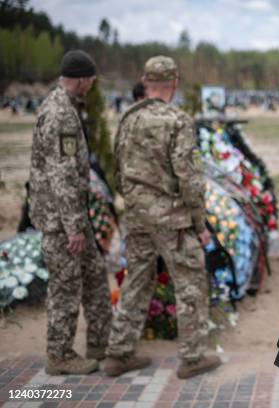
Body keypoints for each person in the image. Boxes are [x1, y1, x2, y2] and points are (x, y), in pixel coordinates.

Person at [105, 55, 221, 379]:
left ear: (145, 81)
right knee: (191, 283)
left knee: (136, 282)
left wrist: (134, 204)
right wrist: (200, 224)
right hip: (173, 220)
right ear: (175, 82)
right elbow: (189, 177)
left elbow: (117, 168)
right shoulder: (177, 120)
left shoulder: (128, 118)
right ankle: (193, 356)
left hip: (138, 216)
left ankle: (118, 353)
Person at [28, 49, 112, 375]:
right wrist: (74, 227)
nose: (92, 85)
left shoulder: (65, 107)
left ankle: (101, 343)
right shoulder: (61, 114)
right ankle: (60, 355)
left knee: (94, 278)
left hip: (72, 218)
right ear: (80, 79)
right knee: (65, 288)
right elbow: (62, 175)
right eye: (90, 79)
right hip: (62, 224)